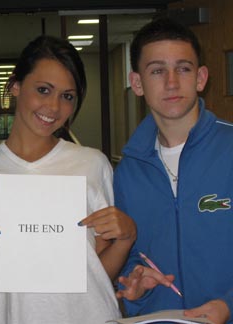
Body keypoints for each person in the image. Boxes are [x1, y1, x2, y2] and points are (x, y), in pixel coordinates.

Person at [0, 35, 136, 323]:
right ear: (15, 85)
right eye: (43, 90)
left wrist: (126, 239)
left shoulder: (92, 164)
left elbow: (96, 273)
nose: (53, 107)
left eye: (67, 96)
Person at [114, 17, 233, 324]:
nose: (171, 82)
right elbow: (129, 256)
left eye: (183, 68)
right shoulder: (128, 170)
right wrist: (135, 282)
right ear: (137, 83)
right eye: (157, 70)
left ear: (201, 77)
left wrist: (230, 305)